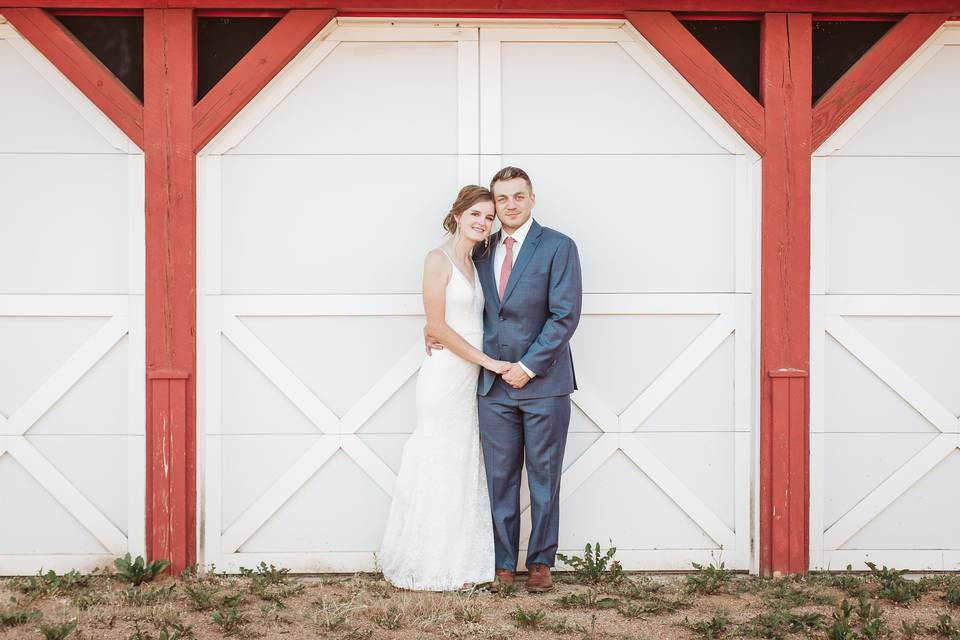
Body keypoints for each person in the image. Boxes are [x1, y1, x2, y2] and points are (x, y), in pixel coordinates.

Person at [428, 166, 583, 593]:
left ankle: (539, 562)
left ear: (532, 199)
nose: (510, 205)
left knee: (544, 477)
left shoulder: (558, 246)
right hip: (490, 385)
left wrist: (528, 366)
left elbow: (564, 315)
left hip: (544, 382)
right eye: (502, 198)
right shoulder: (479, 250)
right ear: (493, 205)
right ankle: (501, 564)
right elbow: (463, 303)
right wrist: (432, 327)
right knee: (500, 479)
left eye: (518, 196)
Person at [379, 185, 508, 591]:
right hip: (446, 374)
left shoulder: (477, 262)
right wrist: (488, 361)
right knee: (439, 459)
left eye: (489, 217)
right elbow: (436, 326)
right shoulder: (438, 259)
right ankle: (428, 562)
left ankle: (460, 562)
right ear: (457, 214)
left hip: (469, 376)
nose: (483, 222)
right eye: (476, 213)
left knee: (464, 462)